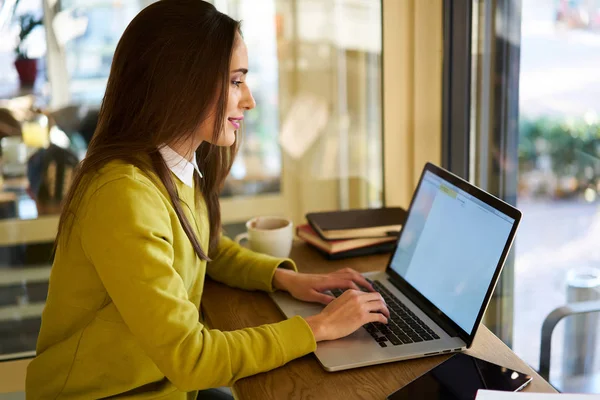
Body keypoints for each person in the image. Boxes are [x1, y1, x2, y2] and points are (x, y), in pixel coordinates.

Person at [25, 2, 389, 399]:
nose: (248, 100)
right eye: (235, 82)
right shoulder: (123, 194)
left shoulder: (175, 164)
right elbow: (192, 357)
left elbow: (205, 247)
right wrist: (318, 328)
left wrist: (286, 279)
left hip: (162, 385)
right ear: (180, 83)